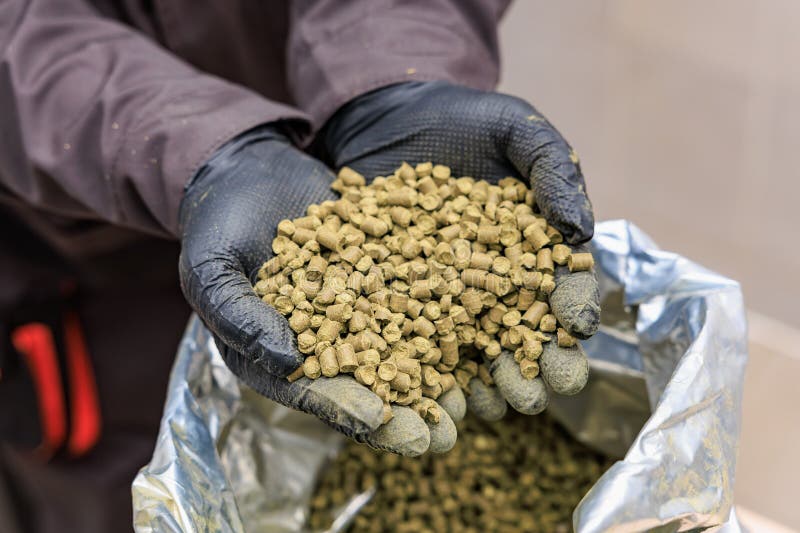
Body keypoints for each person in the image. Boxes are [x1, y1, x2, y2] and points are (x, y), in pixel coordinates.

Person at [0, 1, 599, 531]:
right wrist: (199, 151)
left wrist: (395, 70)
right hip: (79, 278)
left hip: (312, 156)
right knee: (106, 497)